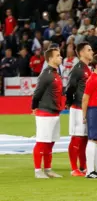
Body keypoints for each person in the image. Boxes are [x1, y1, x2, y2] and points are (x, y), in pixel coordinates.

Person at [32, 47, 64, 179]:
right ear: (50, 59)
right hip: (45, 112)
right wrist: (34, 107)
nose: (60, 57)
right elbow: (37, 92)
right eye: (58, 55)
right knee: (42, 141)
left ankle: (48, 169)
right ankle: (38, 170)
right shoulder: (45, 74)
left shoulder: (56, 73)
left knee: (50, 142)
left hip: (54, 111)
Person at [65, 42, 94, 177]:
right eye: (89, 50)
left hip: (86, 107)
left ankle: (83, 166)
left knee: (84, 138)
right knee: (76, 137)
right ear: (81, 53)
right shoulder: (77, 69)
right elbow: (70, 87)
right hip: (77, 107)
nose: (92, 52)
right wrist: (70, 102)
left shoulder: (88, 68)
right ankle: (73, 168)